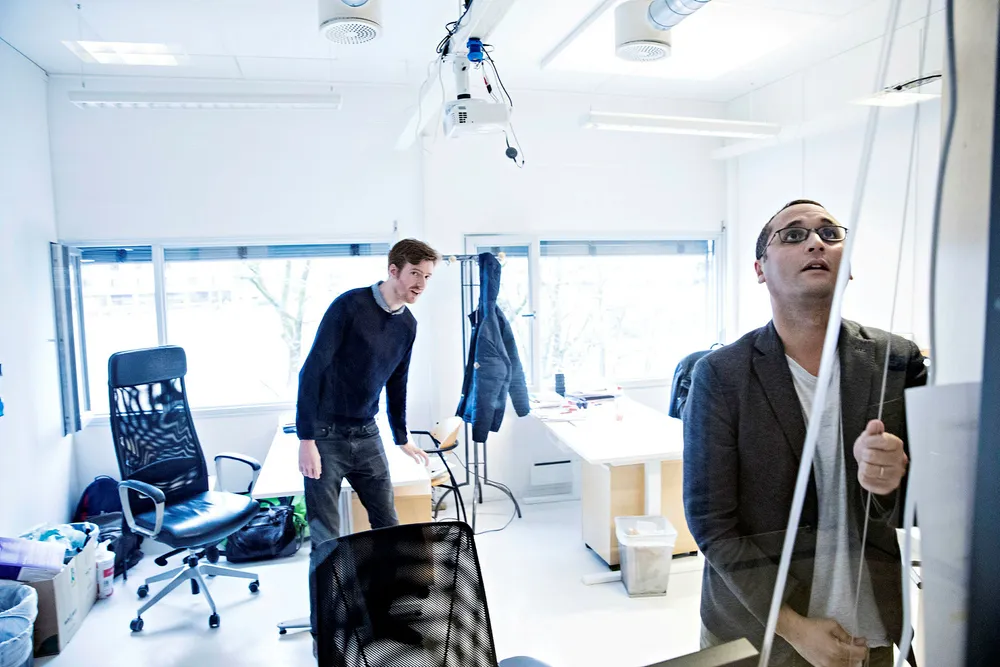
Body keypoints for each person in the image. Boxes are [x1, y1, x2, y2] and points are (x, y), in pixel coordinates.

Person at [683, 200, 926, 667]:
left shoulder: (896, 360)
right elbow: (711, 522)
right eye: (793, 235)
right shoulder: (721, 375)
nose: (816, 242)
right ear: (760, 269)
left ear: (848, 265)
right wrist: (795, 628)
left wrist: (892, 480)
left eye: (830, 234)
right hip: (759, 630)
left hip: (870, 631)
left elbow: (932, 502)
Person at [296, 238, 438, 639]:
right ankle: (325, 633)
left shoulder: (407, 325)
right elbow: (311, 372)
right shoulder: (349, 307)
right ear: (393, 270)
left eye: (427, 277)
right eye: (415, 274)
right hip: (325, 435)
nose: (421, 284)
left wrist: (401, 436)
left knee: (388, 530)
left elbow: (397, 382)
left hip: (367, 434)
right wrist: (306, 438)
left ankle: (385, 618)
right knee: (326, 538)